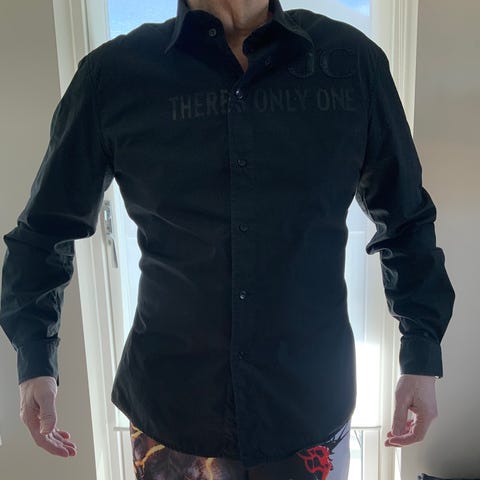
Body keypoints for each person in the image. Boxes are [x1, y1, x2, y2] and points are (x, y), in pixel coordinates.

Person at [0, 0, 455, 478]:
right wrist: (36, 358)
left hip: (309, 406)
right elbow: (43, 230)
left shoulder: (352, 64)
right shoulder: (112, 77)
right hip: (172, 411)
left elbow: (405, 218)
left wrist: (421, 353)